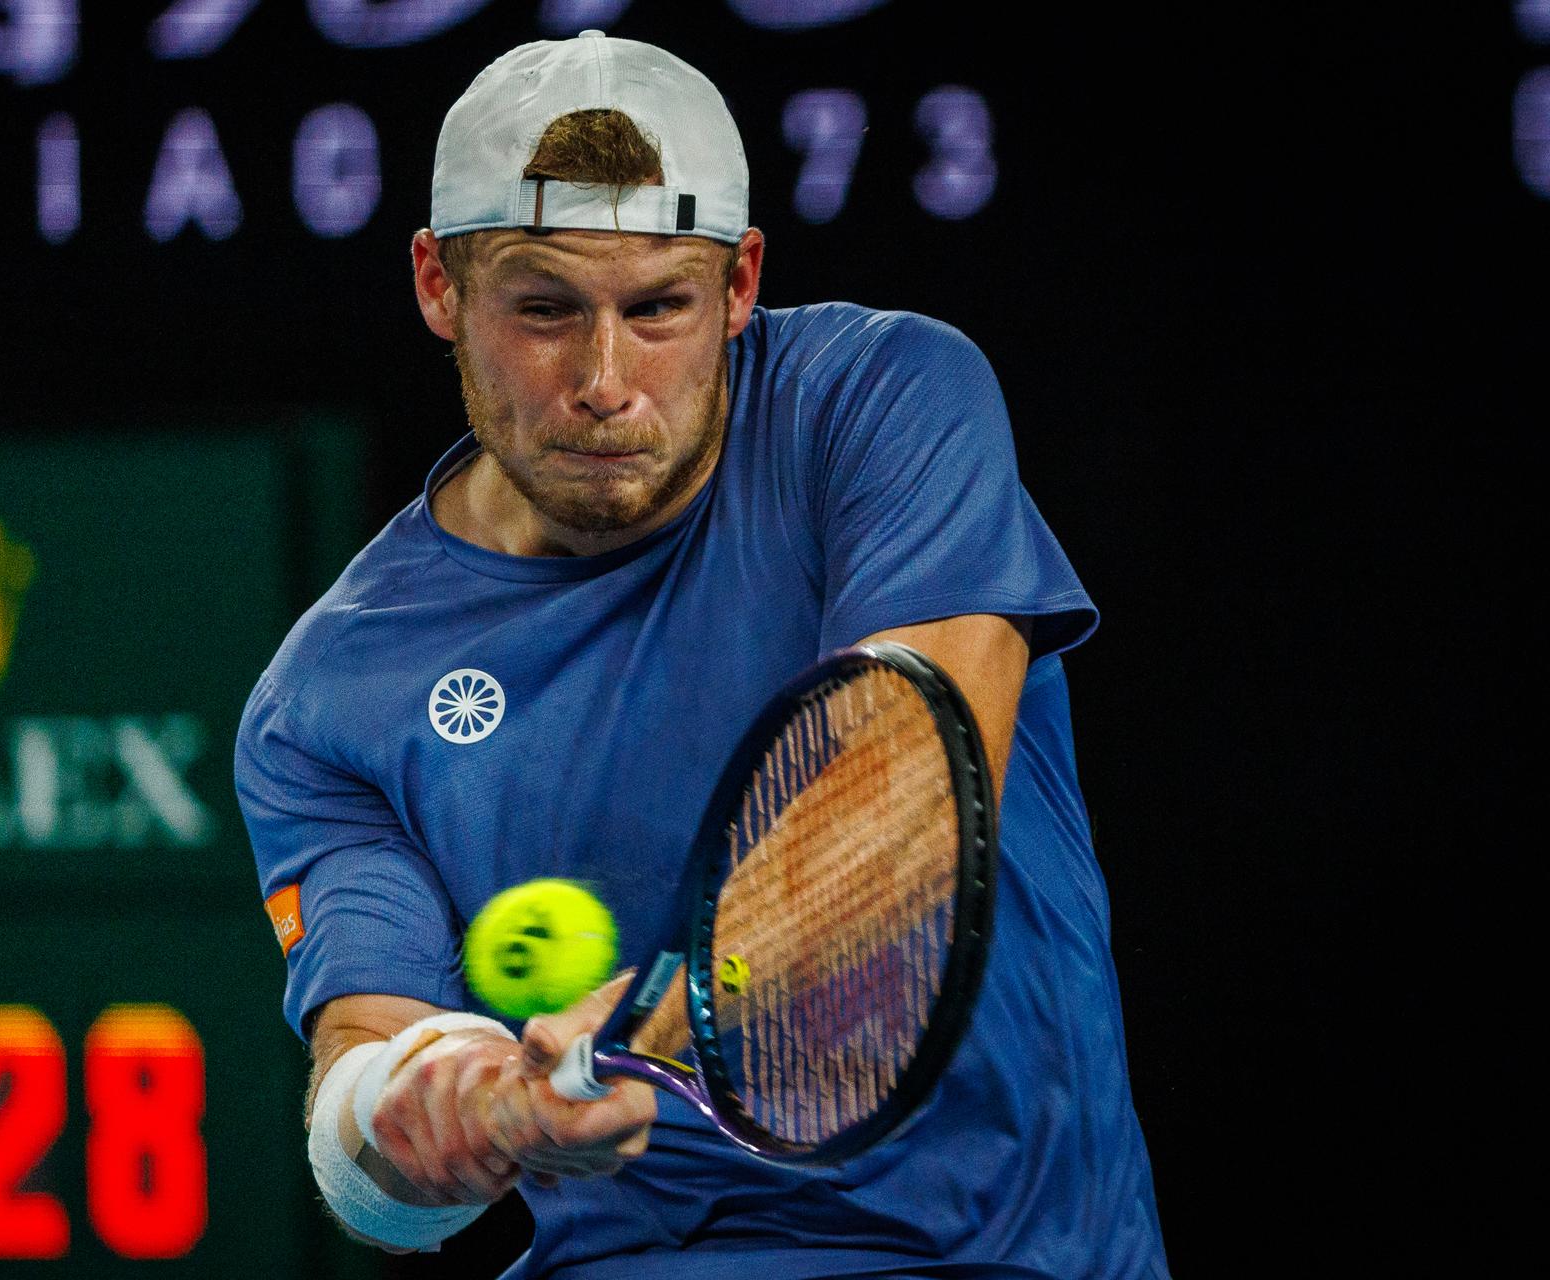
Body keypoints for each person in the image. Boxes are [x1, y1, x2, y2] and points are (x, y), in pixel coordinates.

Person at [236, 29, 1168, 1280]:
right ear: (439, 287)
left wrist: (637, 1027)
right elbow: (369, 1108)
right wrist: (437, 1111)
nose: (605, 380)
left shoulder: (885, 398)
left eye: (659, 308)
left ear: (740, 288)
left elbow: (908, 809)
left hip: (1009, 1253)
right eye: (546, 309)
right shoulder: (325, 699)